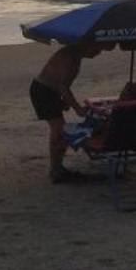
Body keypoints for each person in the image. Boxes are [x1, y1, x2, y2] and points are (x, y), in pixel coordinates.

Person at [34, 41, 103, 183]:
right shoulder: (69, 56)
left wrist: (65, 102)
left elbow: (64, 84)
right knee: (59, 129)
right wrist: (77, 108)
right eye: (97, 48)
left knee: (59, 130)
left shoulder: (76, 56)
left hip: (52, 92)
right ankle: (56, 170)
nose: (99, 52)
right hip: (43, 91)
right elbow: (63, 86)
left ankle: (57, 168)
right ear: (88, 45)